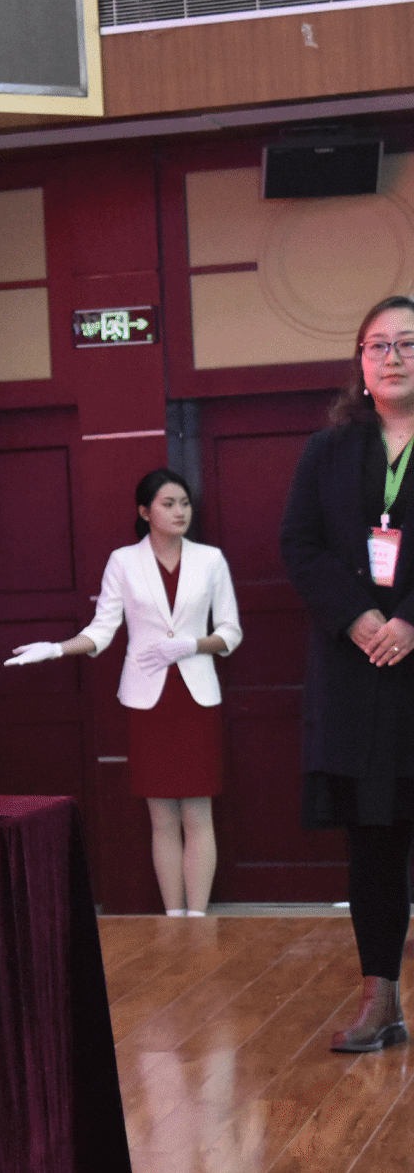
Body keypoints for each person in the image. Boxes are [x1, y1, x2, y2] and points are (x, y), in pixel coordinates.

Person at [6, 469, 242, 916]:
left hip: (196, 698)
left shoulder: (210, 560)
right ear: (145, 512)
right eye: (169, 504)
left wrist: (191, 644)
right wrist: (55, 648)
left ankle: (197, 919)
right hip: (148, 700)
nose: (180, 512)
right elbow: (102, 629)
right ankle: (175, 917)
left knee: (198, 813)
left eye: (185, 503)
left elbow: (231, 632)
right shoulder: (124, 561)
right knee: (162, 816)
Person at [281, 294, 414, 1054]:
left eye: (407, 343)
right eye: (377, 345)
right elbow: (298, 543)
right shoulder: (327, 450)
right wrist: (359, 618)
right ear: (360, 362)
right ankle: (380, 1000)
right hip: (359, 678)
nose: (392, 356)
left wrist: (411, 619)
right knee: (374, 845)